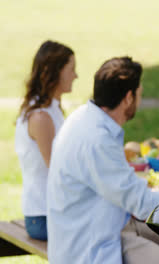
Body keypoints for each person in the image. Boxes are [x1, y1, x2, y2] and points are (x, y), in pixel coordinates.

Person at [47, 57, 159, 264]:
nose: (139, 101)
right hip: (88, 250)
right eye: (139, 95)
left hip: (103, 230)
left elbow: (123, 189)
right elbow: (140, 202)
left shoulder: (83, 118)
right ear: (128, 98)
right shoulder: (97, 139)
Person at [14, 40, 77, 241]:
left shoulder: (53, 109)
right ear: (55, 72)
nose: (76, 76)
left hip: (55, 212)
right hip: (43, 218)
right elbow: (57, 170)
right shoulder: (41, 117)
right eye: (71, 69)